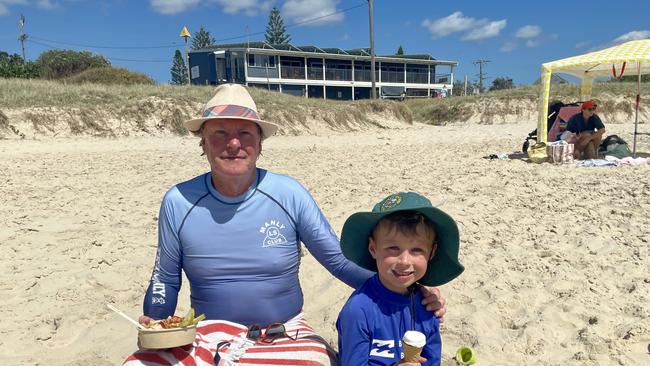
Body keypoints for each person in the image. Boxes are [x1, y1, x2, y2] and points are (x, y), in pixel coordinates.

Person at [125, 84, 448, 365]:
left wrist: (408, 288)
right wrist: (156, 322)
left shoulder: (287, 193)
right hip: (209, 335)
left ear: (260, 143)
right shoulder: (179, 200)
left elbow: (336, 261)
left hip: (284, 331)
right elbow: (165, 279)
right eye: (220, 133)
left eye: (244, 134)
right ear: (203, 142)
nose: (233, 144)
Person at [336, 192, 464, 366]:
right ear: (373, 248)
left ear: (432, 252)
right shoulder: (358, 311)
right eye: (393, 248)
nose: (404, 261)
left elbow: (432, 360)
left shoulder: (427, 307)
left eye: (417, 250)